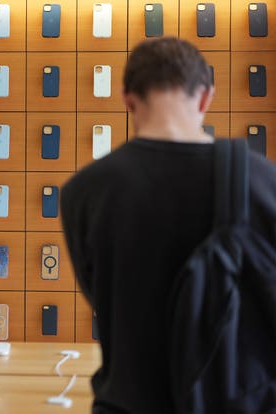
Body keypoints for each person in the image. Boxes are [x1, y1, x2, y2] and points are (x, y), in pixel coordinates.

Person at [60, 37, 276, 413]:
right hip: (237, 402)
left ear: (127, 98)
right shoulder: (263, 181)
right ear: (206, 97)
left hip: (128, 402)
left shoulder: (84, 191)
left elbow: (101, 296)